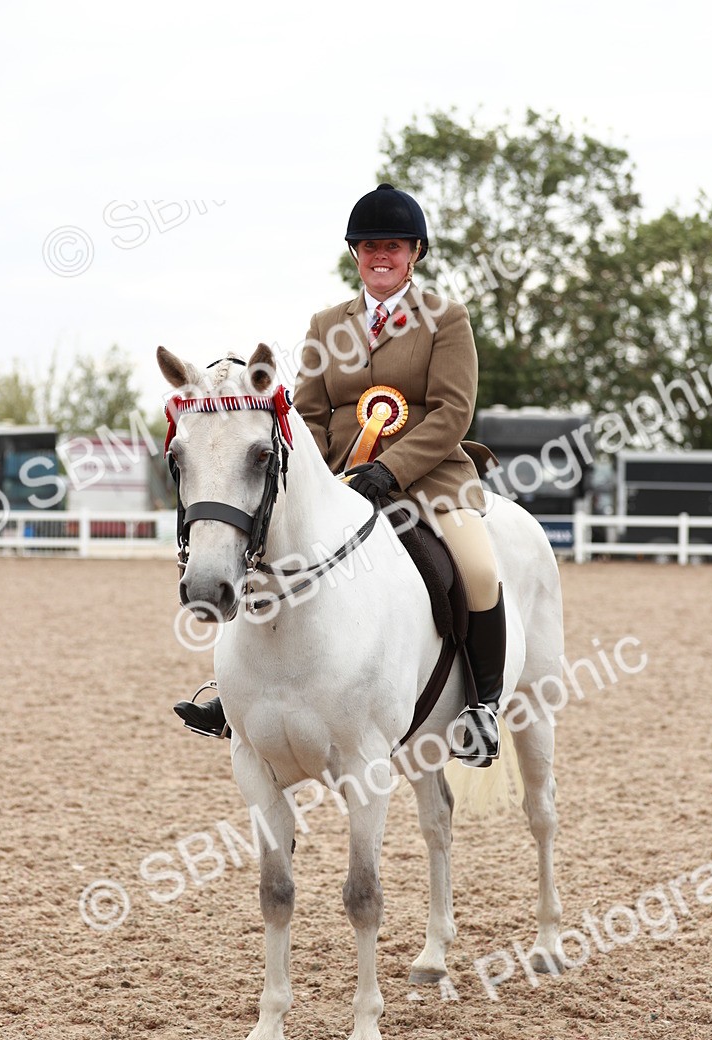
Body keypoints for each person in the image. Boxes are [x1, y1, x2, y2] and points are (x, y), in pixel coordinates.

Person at [175, 183, 506, 766]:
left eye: (395, 246)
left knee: (477, 571)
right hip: (340, 480)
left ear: (415, 253)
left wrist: (390, 467)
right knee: (260, 558)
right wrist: (332, 476)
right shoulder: (328, 324)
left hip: (429, 479)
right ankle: (234, 696)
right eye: (370, 245)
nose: (382, 256)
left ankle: (481, 709)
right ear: (356, 253)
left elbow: (454, 412)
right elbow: (305, 414)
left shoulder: (446, 320)